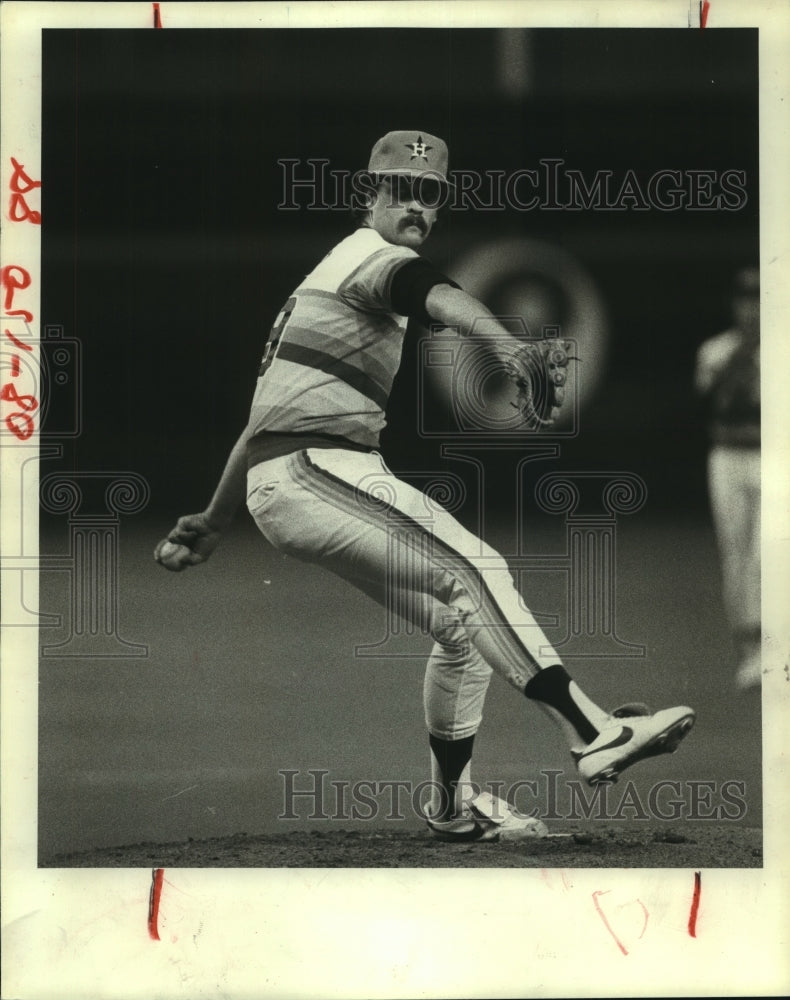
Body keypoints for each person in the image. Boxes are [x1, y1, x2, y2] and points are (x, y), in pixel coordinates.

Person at [156, 130, 695, 842]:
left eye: (430, 194)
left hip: (306, 473)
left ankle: (453, 807)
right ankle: (594, 731)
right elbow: (431, 293)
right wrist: (507, 347)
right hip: (314, 471)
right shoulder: (371, 258)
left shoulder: (328, 275)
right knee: (477, 568)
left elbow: (259, 422)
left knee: (461, 628)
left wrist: (216, 517)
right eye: (400, 189)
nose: (416, 204)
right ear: (369, 193)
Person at [695, 267, 761, 689]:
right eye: (745, 300)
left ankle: (770, 645)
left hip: (770, 456)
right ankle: (749, 648)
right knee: (735, 553)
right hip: (727, 456)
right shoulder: (715, 350)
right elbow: (707, 405)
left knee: (765, 553)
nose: (751, 309)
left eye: (758, 300)